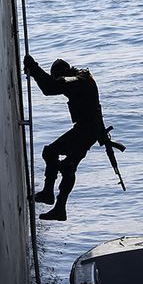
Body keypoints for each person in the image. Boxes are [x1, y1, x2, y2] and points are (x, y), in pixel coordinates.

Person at [23, 55, 104, 221]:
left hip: (86, 130)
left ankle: (50, 197)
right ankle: (58, 207)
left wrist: (34, 68)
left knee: (50, 153)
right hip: (88, 130)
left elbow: (49, 88)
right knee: (67, 166)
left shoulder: (77, 81)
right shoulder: (82, 78)